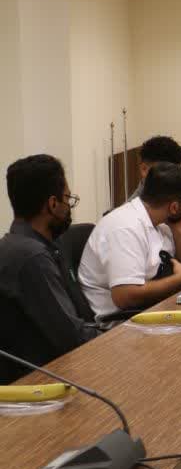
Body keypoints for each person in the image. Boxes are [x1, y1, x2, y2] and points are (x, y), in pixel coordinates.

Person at [0, 155, 100, 382]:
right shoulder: (32, 257)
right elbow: (73, 338)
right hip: (42, 381)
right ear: (52, 204)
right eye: (68, 199)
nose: (69, 207)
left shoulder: (24, 246)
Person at [79, 163, 181, 320]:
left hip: (156, 309)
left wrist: (180, 231)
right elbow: (125, 296)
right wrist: (177, 280)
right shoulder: (125, 227)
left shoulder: (161, 223)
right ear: (174, 207)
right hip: (122, 323)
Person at [129, 135, 181, 200]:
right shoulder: (132, 206)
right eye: (164, 171)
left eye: (176, 173)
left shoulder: (179, 199)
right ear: (144, 169)